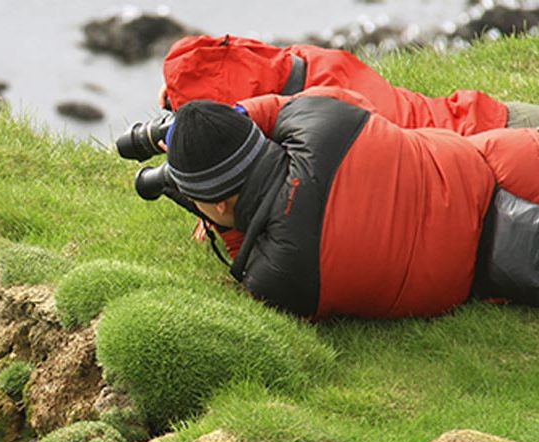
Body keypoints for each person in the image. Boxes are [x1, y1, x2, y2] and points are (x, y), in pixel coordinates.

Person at [156, 86, 539, 319]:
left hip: (498, 265)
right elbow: (294, 105)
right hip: (507, 160)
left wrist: (224, 225)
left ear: (220, 204)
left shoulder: (279, 277)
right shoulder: (321, 120)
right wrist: (234, 118)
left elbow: (249, 261)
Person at [157, 35, 539, 133]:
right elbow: (238, 56)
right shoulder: (305, 60)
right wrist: (181, 85)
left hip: (491, 149)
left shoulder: (310, 120)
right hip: (487, 113)